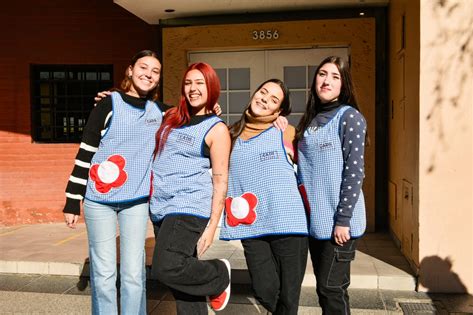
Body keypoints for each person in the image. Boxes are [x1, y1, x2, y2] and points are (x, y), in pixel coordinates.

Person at [63, 50, 166, 314]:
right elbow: (86, 151)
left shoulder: (161, 112)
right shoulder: (108, 104)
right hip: (99, 201)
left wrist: (211, 108)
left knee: (134, 274)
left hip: (136, 202)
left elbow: (193, 119)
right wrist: (72, 200)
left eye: (155, 71)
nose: (149, 74)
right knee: (104, 274)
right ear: (130, 71)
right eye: (143, 68)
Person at [219, 78, 309, 315]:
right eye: (263, 92)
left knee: (289, 299)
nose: (264, 100)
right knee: (264, 289)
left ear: (279, 110)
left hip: (290, 224)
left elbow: (312, 169)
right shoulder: (230, 135)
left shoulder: (287, 132)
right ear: (254, 93)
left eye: (273, 100)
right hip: (252, 225)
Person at [150, 62, 232, 314]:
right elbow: (142, 107)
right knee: (185, 284)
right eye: (188, 83)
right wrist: (113, 97)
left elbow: (220, 181)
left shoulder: (217, 129)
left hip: (188, 205)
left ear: (212, 87)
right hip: (161, 205)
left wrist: (211, 227)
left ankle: (219, 273)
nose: (193, 88)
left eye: (200, 83)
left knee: (166, 267)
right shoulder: (172, 117)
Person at [296, 56, 367, 315]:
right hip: (316, 222)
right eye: (322, 74)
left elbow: (355, 171)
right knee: (325, 290)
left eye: (335, 76)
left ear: (344, 85)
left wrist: (343, 219)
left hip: (339, 223)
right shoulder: (311, 121)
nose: (326, 80)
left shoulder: (350, 118)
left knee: (332, 289)